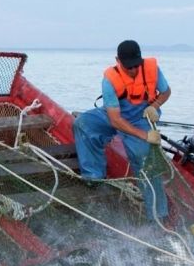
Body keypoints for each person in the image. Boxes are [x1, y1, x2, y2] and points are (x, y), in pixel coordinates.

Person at [73, 40, 171, 221]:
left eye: (136, 65)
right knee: (83, 124)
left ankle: (158, 216)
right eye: (129, 67)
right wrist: (145, 135)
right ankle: (93, 176)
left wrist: (155, 106)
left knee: (145, 158)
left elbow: (166, 92)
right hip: (115, 114)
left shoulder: (152, 69)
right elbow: (115, 120)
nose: (133, 70)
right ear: (118, 60)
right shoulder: (109, 80)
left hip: (141, 117)